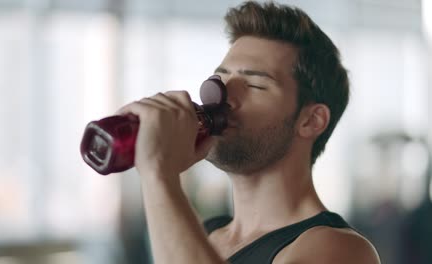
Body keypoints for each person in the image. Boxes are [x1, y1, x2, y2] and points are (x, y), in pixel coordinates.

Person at [116, 1, 381, 263]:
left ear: (311, 120)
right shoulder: (206, 236)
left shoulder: (340, 249)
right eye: (221, 79)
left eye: (254, 84)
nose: (221, 98)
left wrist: (159, 174)